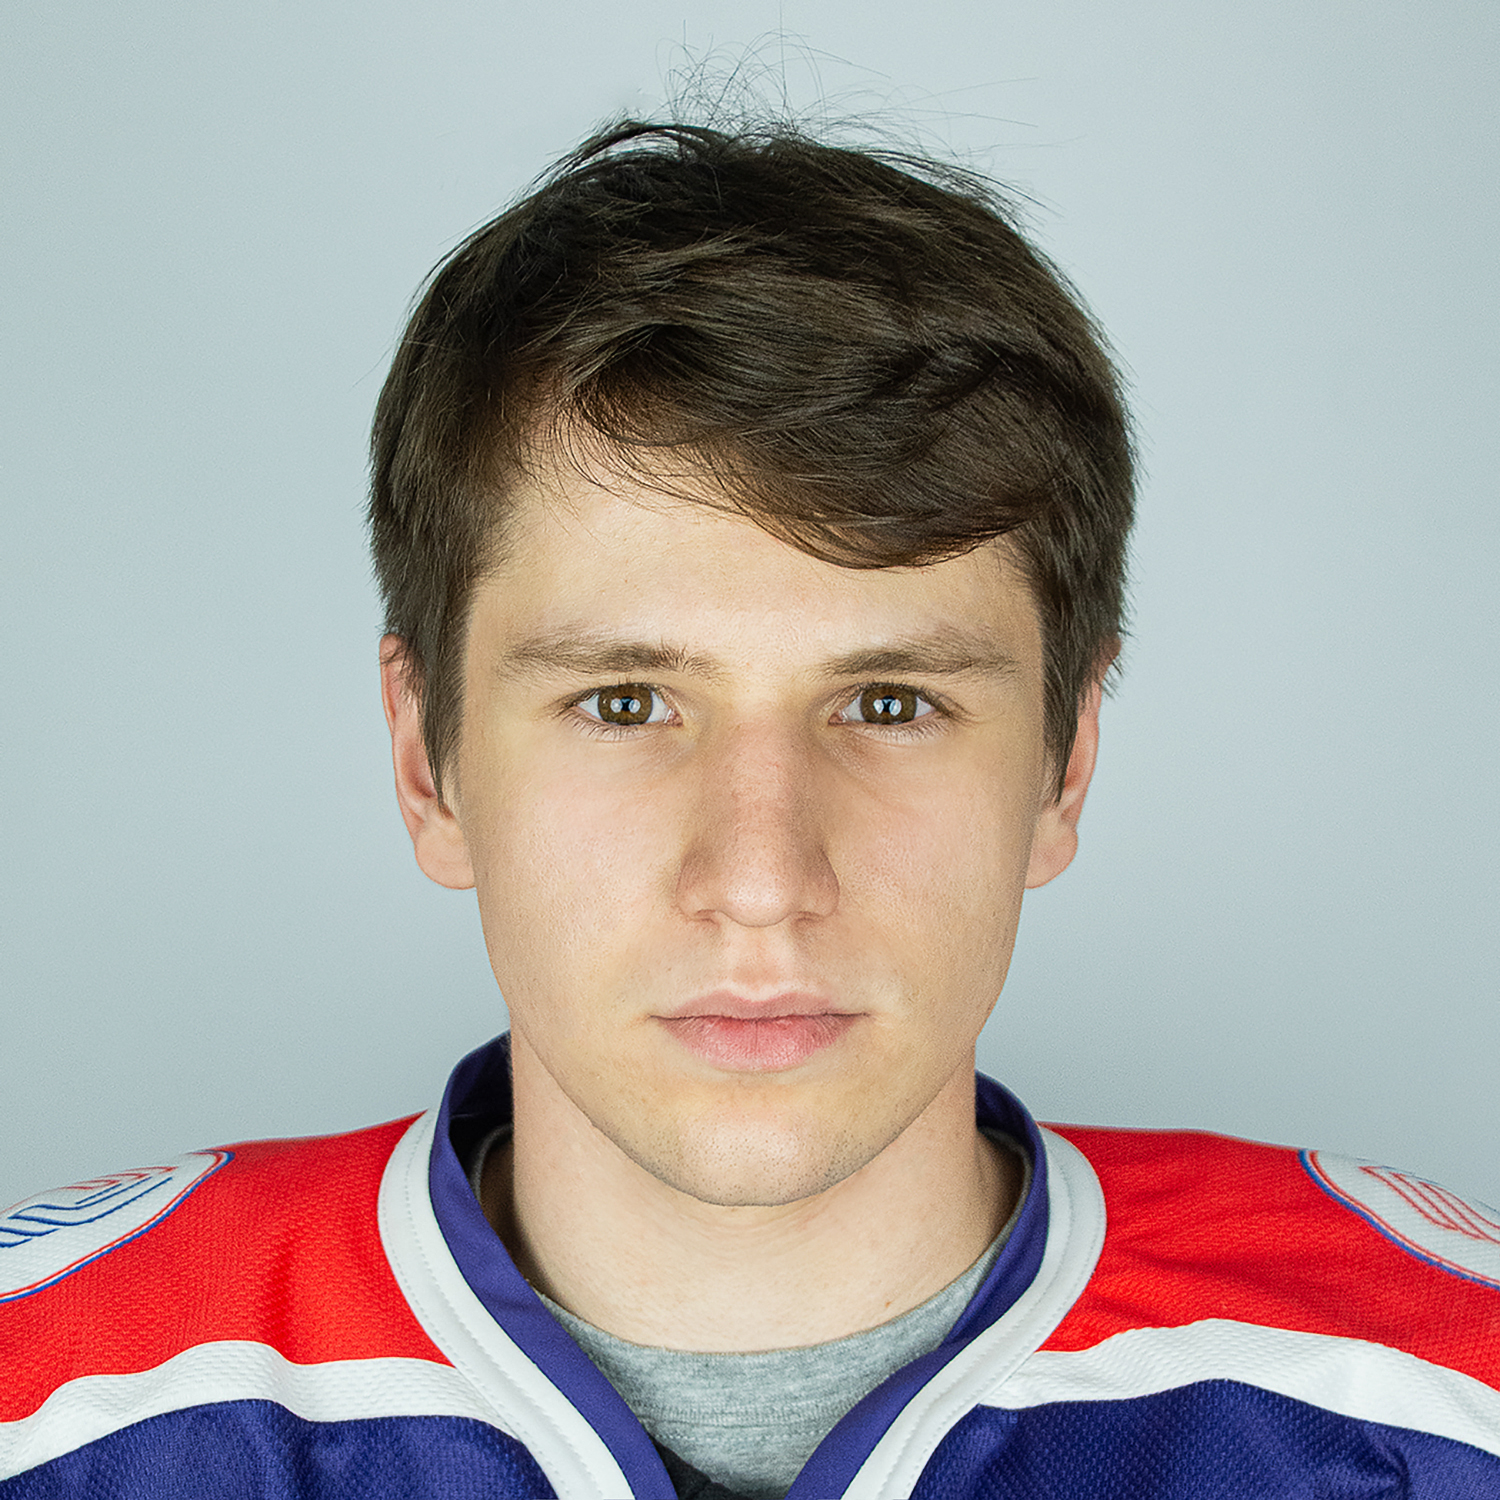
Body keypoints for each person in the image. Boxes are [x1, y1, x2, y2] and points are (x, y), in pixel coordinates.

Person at [2, 118, 1497, 1500]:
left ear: (1066, 761)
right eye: (625, 703)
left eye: (890, 704)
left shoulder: (1439, 1400)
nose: (763, 879)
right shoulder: (50, 1404)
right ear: (425, 760)